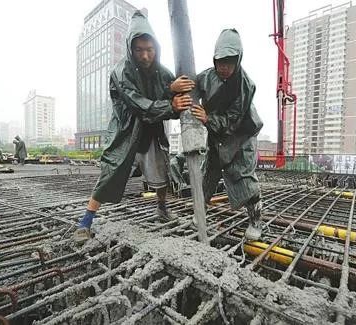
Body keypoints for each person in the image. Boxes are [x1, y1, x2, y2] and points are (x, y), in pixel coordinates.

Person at [73, 11, 194, 242]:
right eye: (139, 50)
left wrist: (179, 99)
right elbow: (139, 105)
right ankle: (85, 221)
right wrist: (171, 99)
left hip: (152, 133)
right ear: (131, 48)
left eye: (150, 49)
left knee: (160, 174)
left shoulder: (164, 73)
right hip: (126, 133)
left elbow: (178, 104)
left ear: (156, 47)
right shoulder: (121, 72)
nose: (146, 55)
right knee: (109, 174)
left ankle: (161, 208)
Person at [191, 29, 264, 241]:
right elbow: (190, 89)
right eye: (221, 62)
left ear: (238, 60)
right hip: (216, 133)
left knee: (244, 178)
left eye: (230, 63)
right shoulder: (206, 78)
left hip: (241, 135)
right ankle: (200, 212)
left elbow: (234, 119)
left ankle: (255, 221)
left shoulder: (245, 85)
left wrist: (207, 119)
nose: (224, 68)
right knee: (209, 174)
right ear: (215, 60)